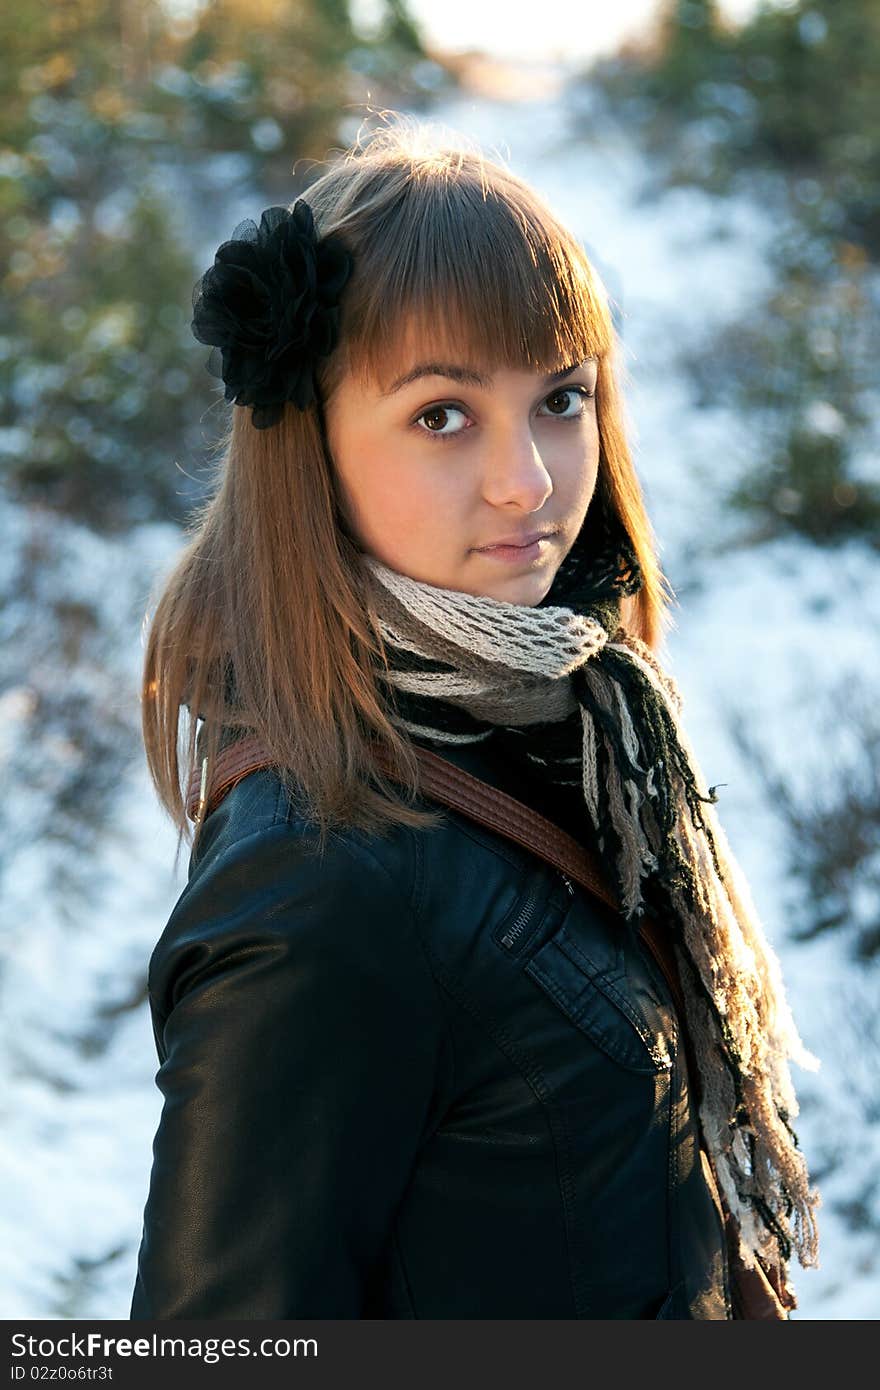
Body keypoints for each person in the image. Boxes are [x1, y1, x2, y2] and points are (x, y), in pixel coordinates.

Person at [130, 117, 820, 1320]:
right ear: (312, 445)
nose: (530, 482)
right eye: (442, 414)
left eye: (560, 400)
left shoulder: (580, 729)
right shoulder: (318, 884)